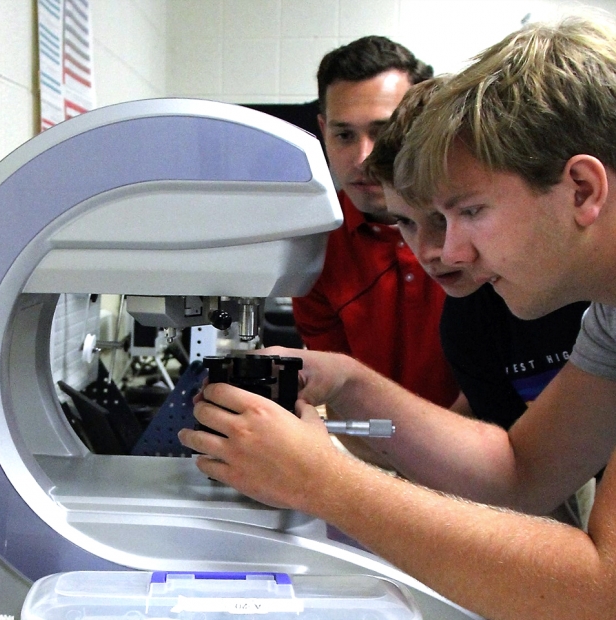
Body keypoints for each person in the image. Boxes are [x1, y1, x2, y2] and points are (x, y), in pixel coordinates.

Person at [179, 16, 616, 619]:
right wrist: (351, 384)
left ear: (582, 190)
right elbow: (523, 472)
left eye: (470, 211)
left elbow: (601, 592)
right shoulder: (609, 315)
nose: (447, 252)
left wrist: (326, 483)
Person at [362, 79, 590, 431]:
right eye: (404, 222)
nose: (433, 252)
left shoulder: (599, 297)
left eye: (464, 213)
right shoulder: (467, 322)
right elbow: (528, 473)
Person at [291, 36, 460, 408]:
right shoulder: (313, 247)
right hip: (379, 449)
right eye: (344, 135)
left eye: (383, 132)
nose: (363, 157)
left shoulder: (476, 228)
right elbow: (340, 392)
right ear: (323, 130)